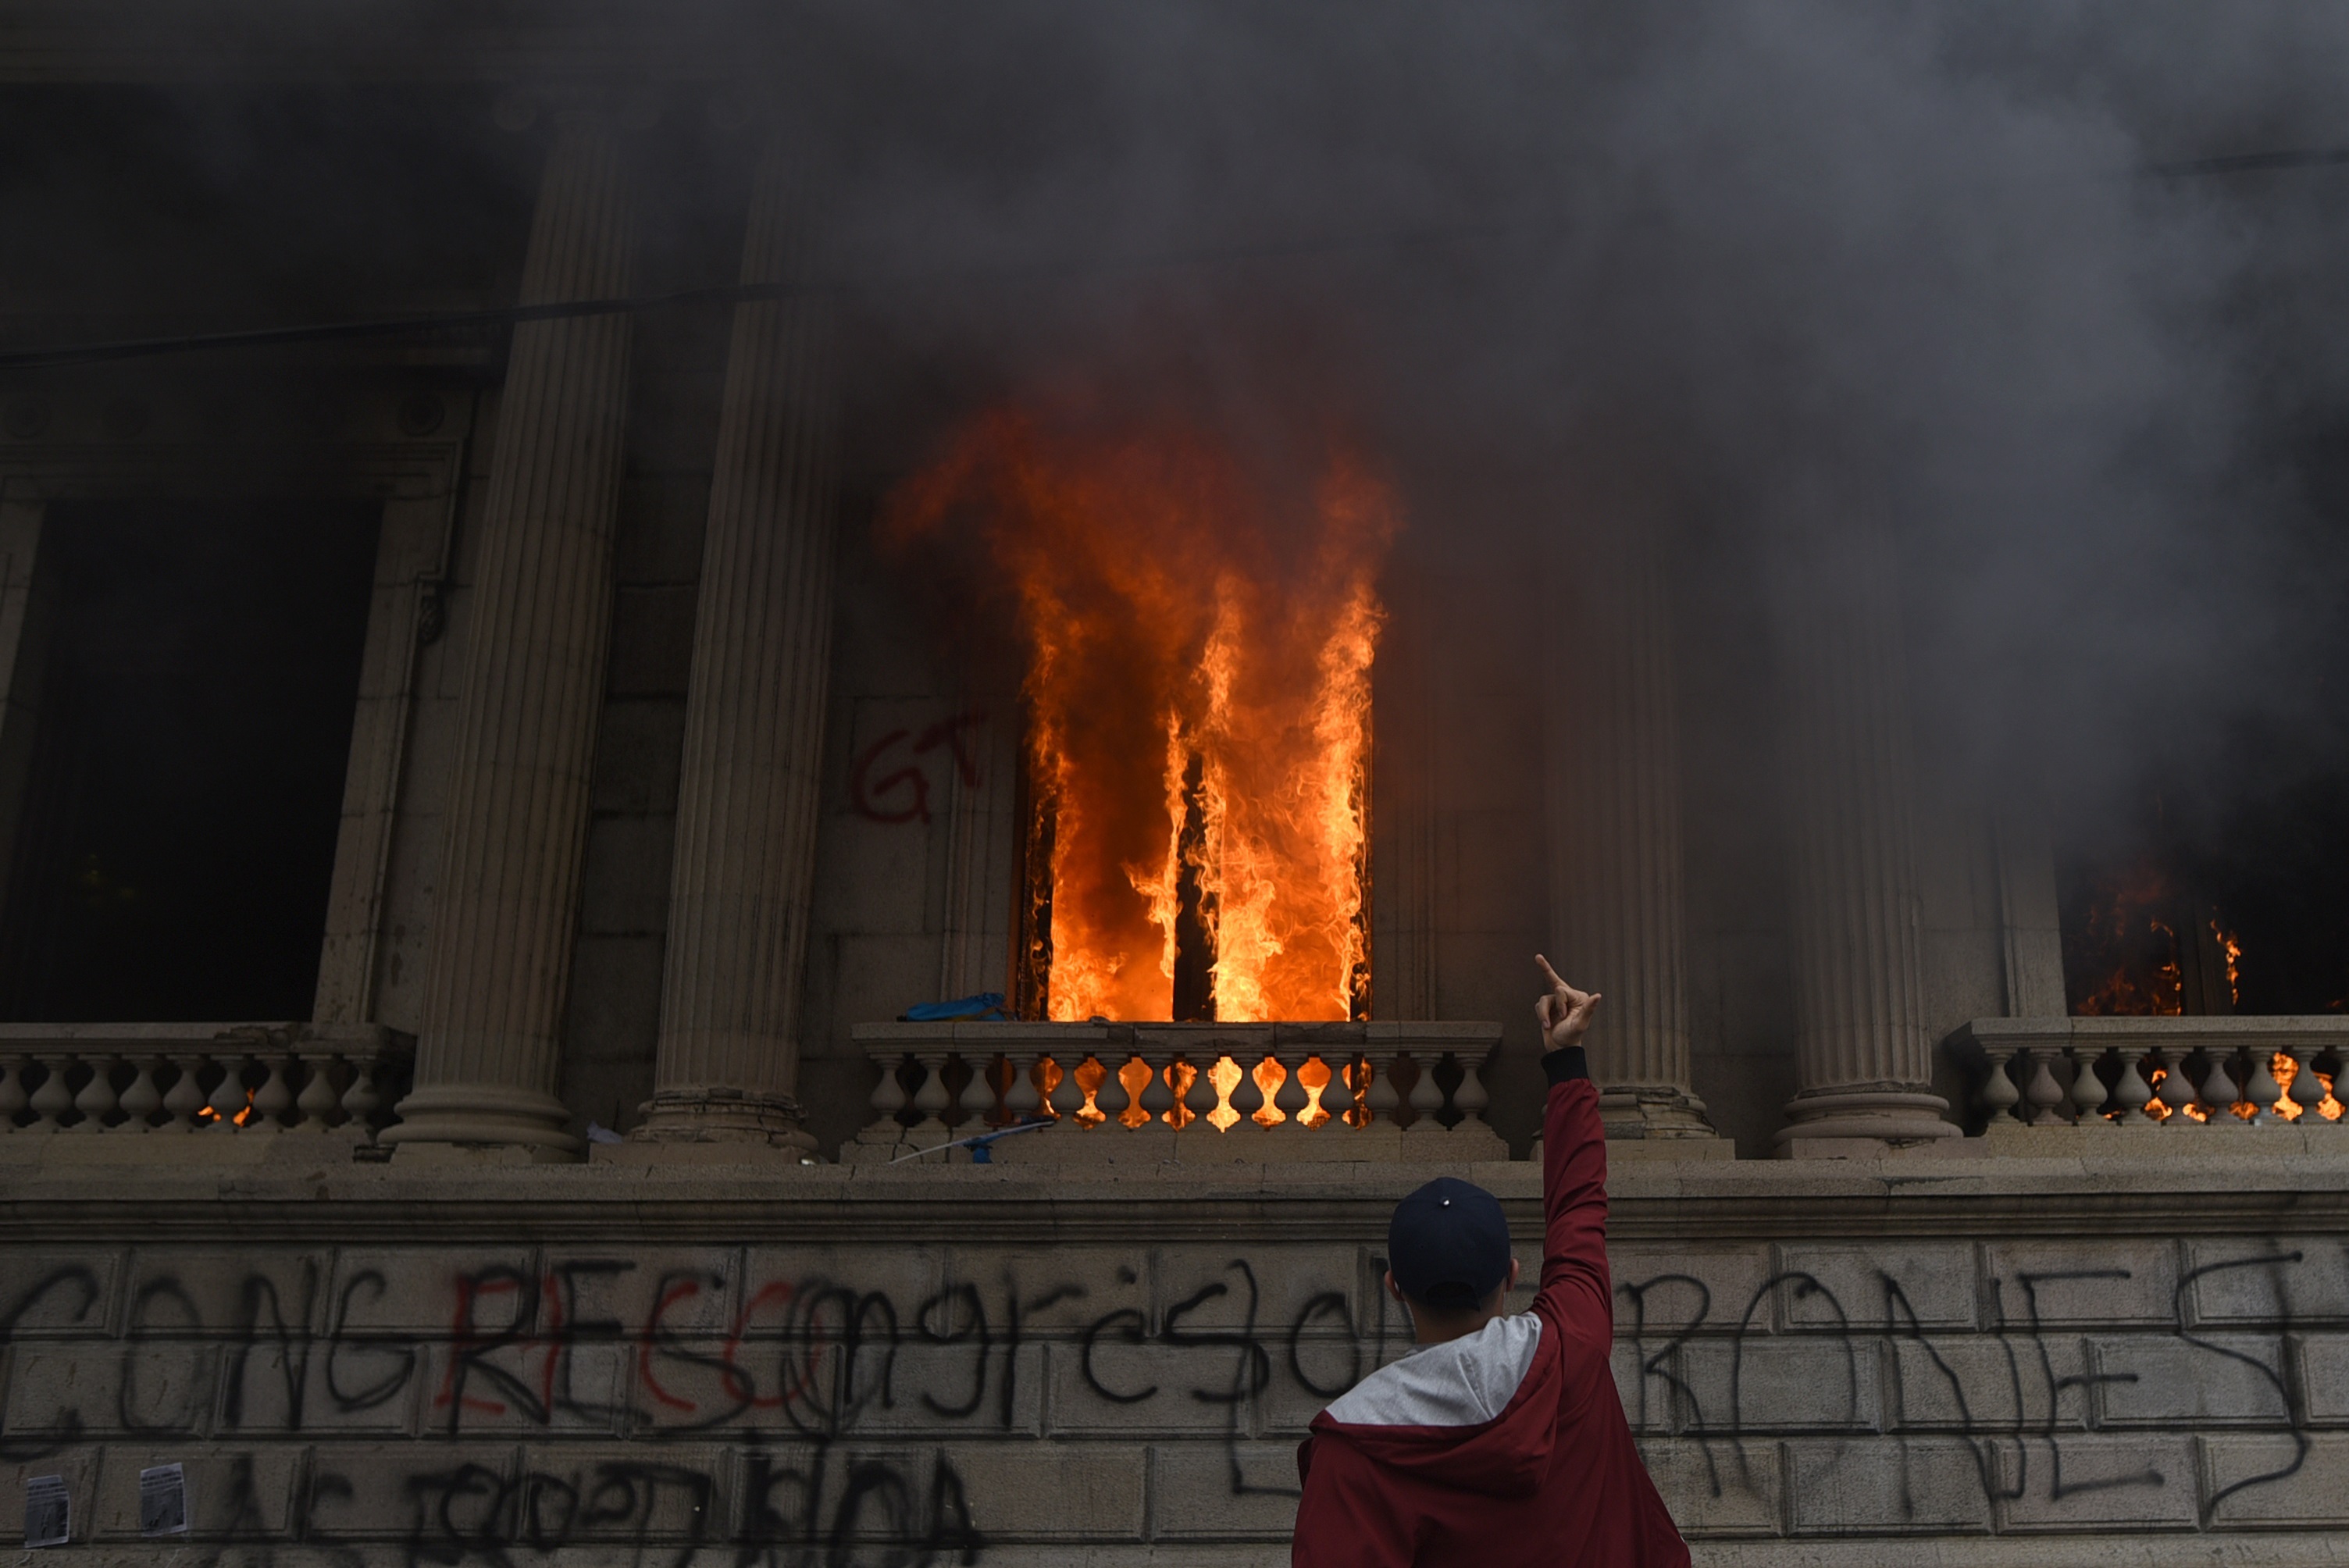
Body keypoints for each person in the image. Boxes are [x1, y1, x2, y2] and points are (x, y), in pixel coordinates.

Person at [1291, 955, 1691, 1567]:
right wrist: (1565, 1060)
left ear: (1395, 1286)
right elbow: (1578, 1206)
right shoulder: (1572, 1349)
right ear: (1511, 1274)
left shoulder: (1356, 1449)